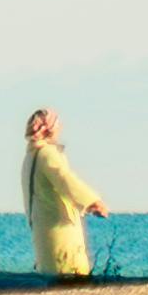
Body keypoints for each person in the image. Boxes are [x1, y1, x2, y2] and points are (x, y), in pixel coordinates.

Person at [21, 109, 109, 284]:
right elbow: (65, 180)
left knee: (54, 275)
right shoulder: (47, 154)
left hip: (43, 226)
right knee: (71, 274)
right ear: (49, 128)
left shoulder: (31, 156)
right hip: (59, 227)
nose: (60, 127)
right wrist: (93, 201)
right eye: (57, 123)